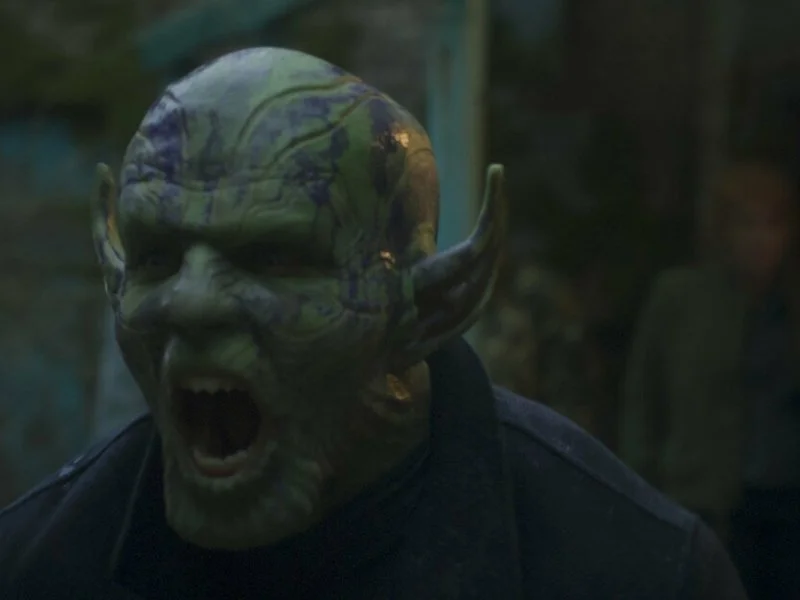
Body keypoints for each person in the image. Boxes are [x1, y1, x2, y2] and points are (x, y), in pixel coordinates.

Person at [0, 47, 745, 599]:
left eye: (274, 258)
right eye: (157, 257)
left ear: (432, 306)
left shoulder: (631, 572)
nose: (190, 303)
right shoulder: (42, 565)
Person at [621, 159, 800, 600]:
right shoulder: (679, 298)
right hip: (705, 504)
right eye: (747, 225)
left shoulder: (788, 305)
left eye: (772, 225)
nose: (760, 239)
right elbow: (643, 402)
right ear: (723, 232)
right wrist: (642, 494)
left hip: (786, 504)